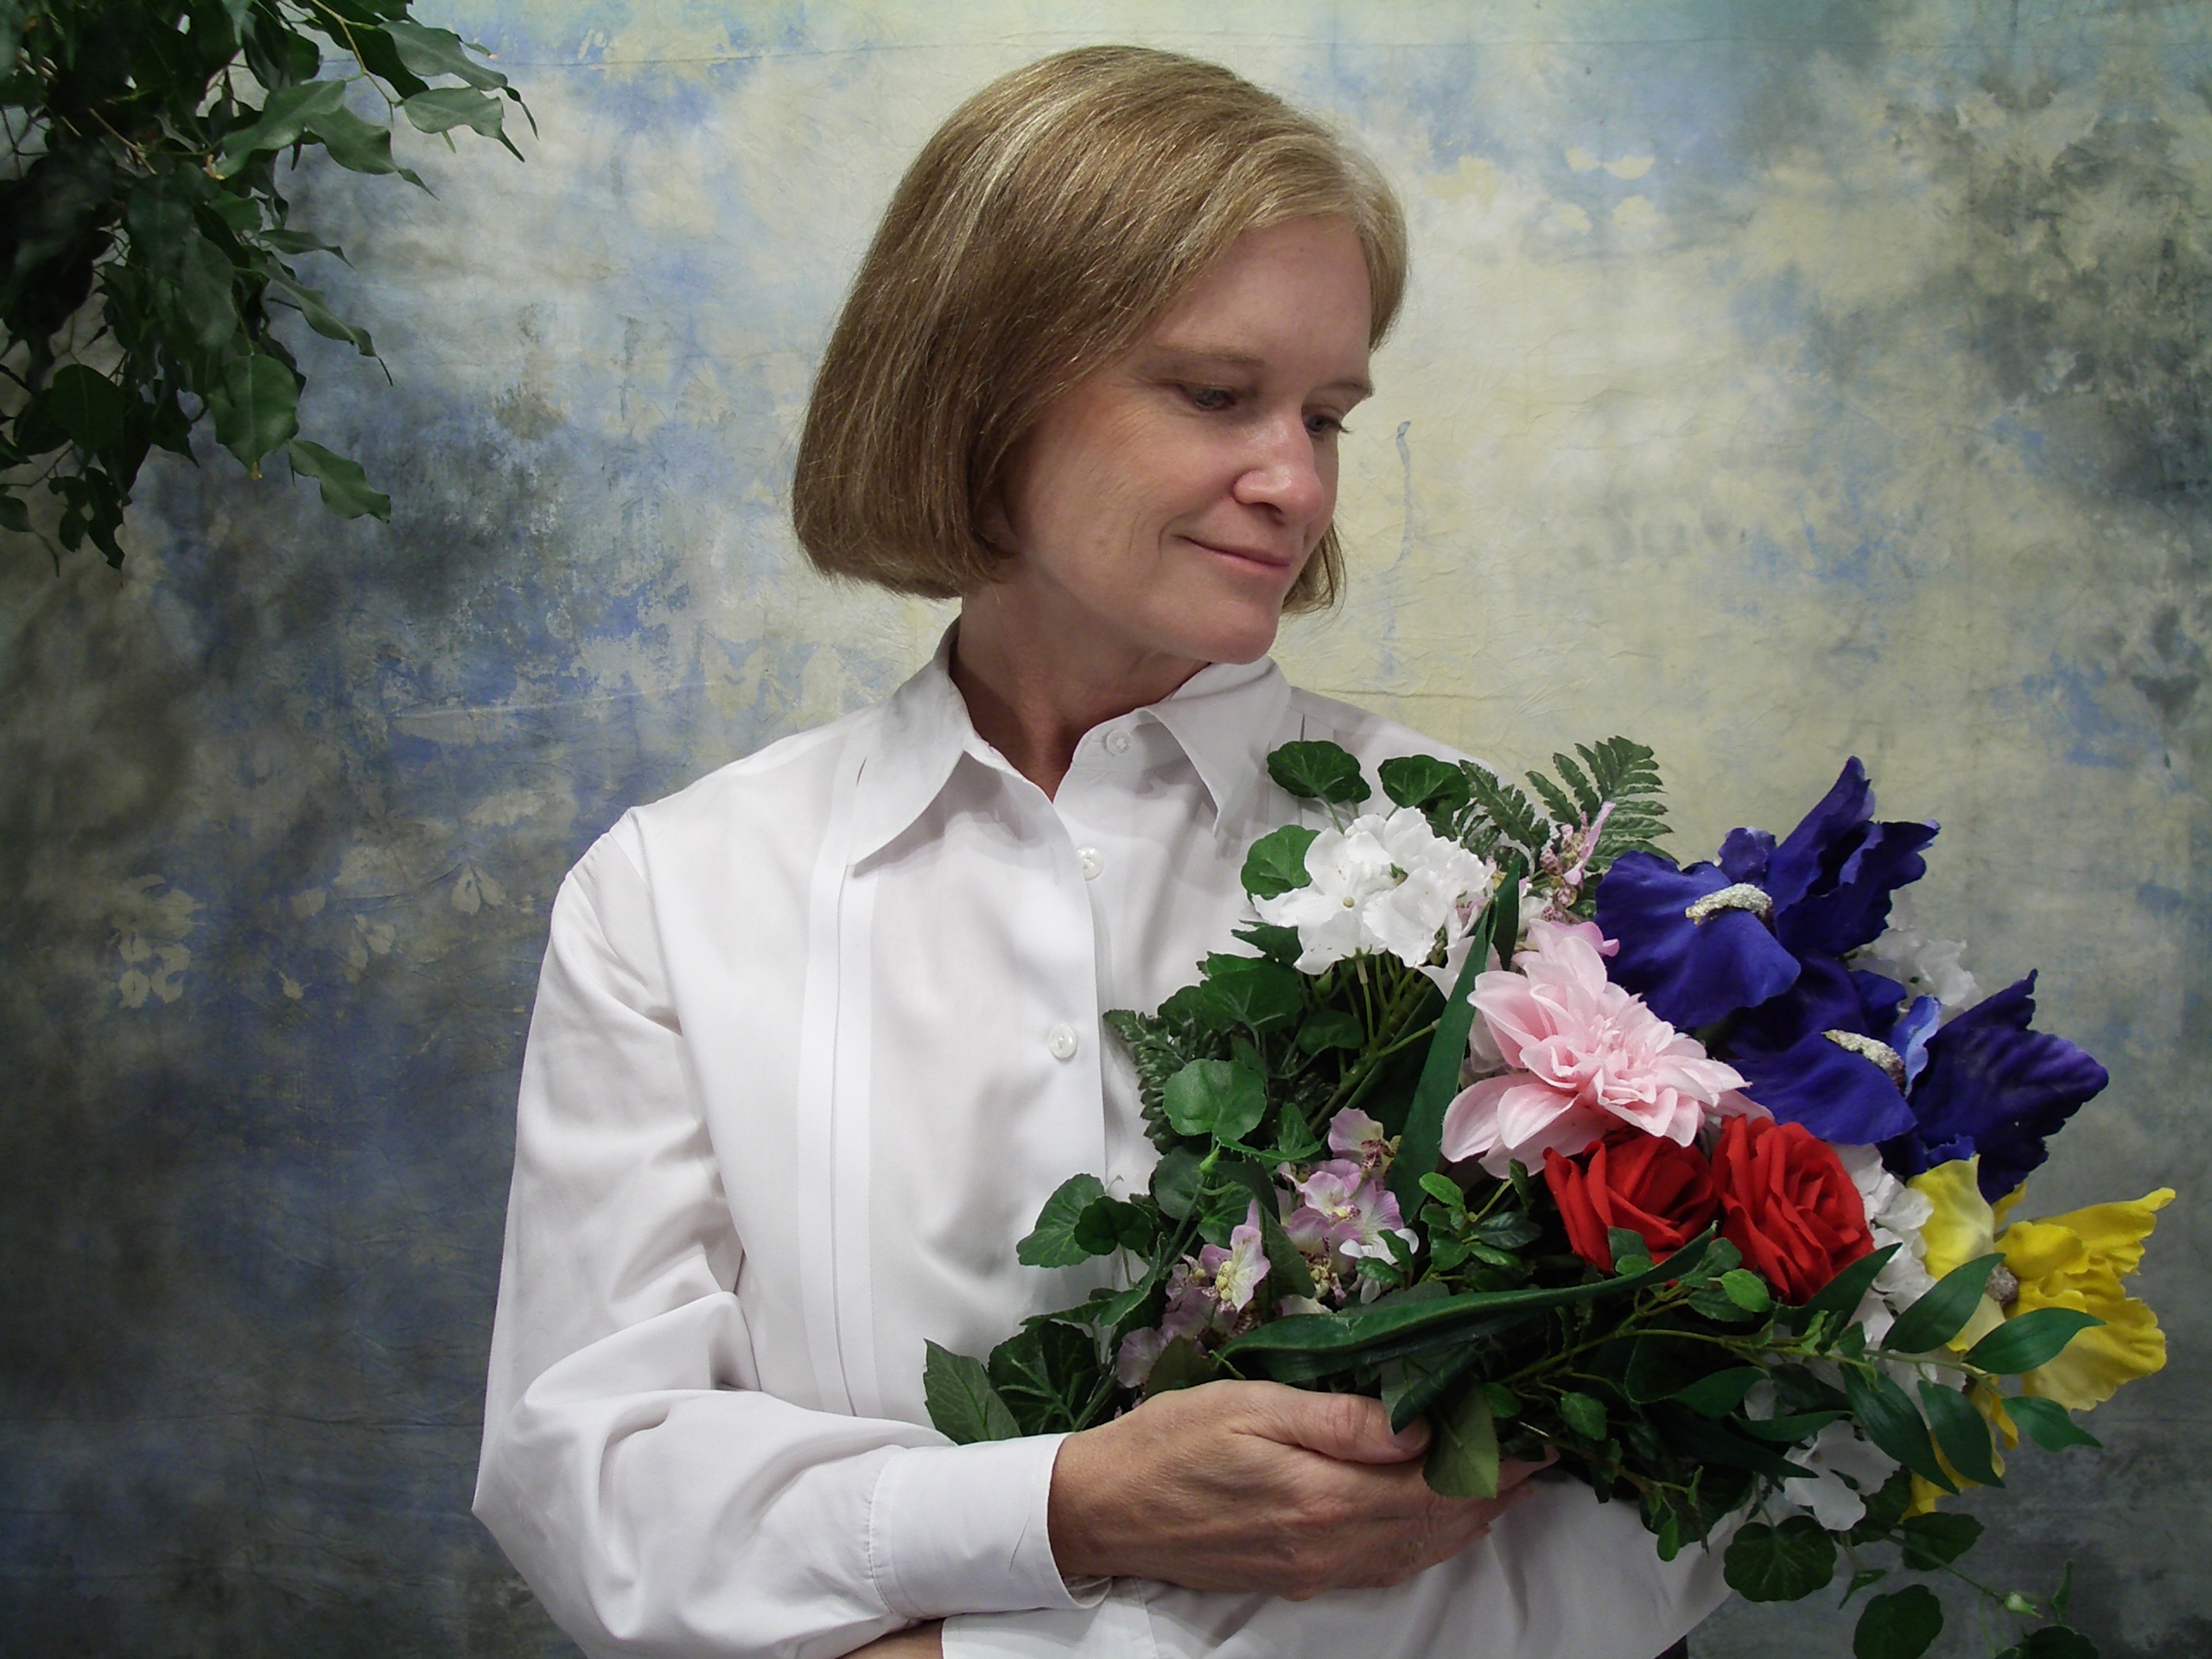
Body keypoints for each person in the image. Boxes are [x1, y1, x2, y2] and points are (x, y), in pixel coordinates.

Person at [474, 46, 1726, 1659]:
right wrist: (1072, 1508)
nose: (1296, 483)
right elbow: (599, 1489)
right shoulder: (674, 895)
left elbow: (1643, 1511)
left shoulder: (1498, 872)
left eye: (1326, 416)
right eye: (1214, 395)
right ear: (981, 388)